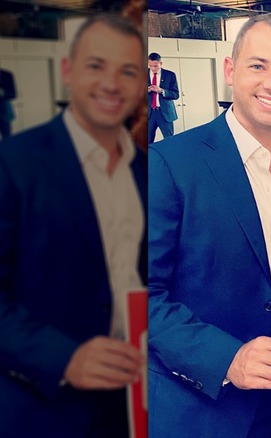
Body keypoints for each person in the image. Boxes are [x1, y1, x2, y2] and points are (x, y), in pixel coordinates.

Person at [147, 13, 271, 438]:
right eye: (258, 65)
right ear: (230, 70)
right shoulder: (169, 164)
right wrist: (228, 359)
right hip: (203, 408)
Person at [0, 15, 146, 436]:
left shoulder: (146, 173)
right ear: (68, 71)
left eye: (127, 71)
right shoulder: (14, 165)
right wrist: (63, 358)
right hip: (42, 407)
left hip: (134, 405)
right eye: (96, 66)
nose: (111, 84)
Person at [147, 52, 179, 143]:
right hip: (149, 114)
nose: (153, 68)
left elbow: (176, 94)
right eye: (150, 65)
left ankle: (170, 157)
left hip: (164, 114)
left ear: (161, 64)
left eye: (155, 66)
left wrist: (161, 91)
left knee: (169, 141)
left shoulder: (170, 75)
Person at [0, 68, 16, 139]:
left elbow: (13, 94)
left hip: (4, 111)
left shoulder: (7, 75)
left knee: (7, 137)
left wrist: (2, 93)